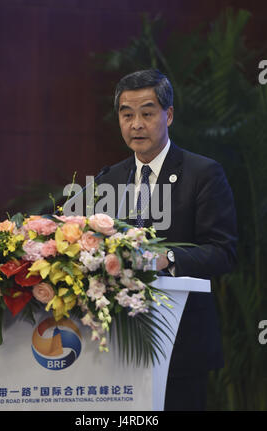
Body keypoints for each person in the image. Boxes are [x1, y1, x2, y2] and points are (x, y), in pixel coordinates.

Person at [97, 69, 238, 411]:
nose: (136, 124)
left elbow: (223, 252)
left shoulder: (203, 174)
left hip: (180, 344)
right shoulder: (109, 178)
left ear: (168, 115)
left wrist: (166, 259)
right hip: (118, 344)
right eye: (127, 114)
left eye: (147, 113)